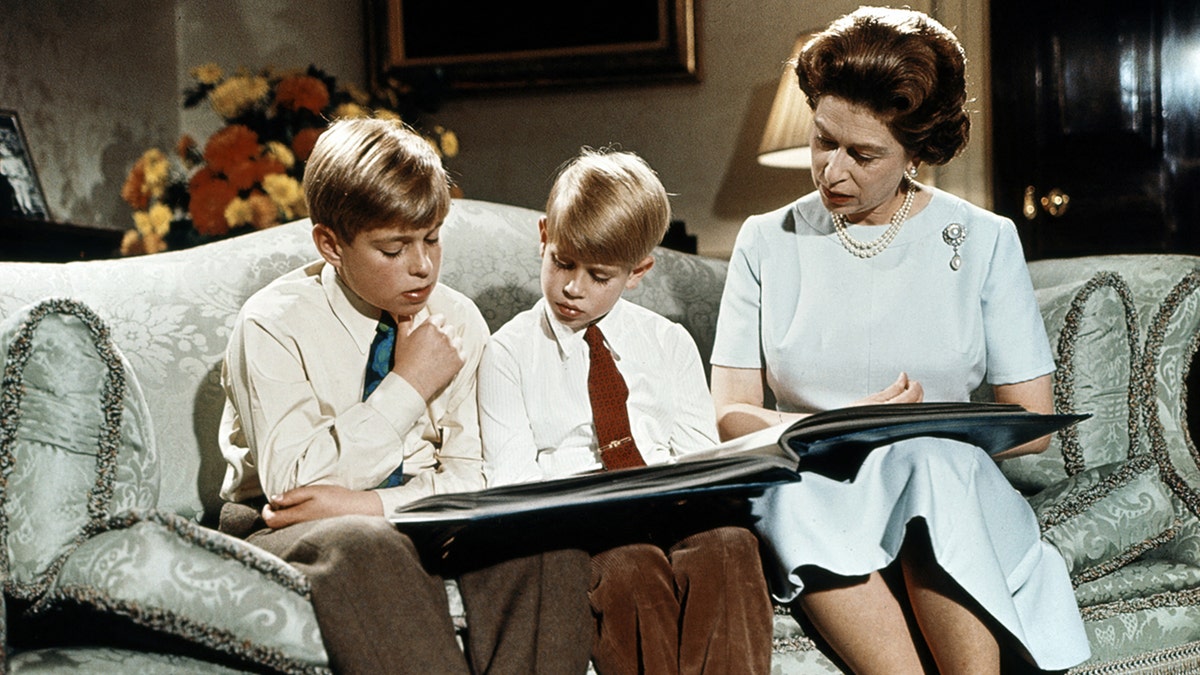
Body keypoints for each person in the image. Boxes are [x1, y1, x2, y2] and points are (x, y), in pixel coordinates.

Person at [709, 8, 1091, 675]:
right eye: (823, 141)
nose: (832, 172)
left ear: (917, 152)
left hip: (948, 487)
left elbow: (1032, 422)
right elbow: (729, 415)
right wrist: (844, 423)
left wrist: (911, 434)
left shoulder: (985, 239)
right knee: (787, 495)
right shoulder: (765, 240)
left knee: (928, 462)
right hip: (817, 487)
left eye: (862, 155)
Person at [217, 117, 592, 674]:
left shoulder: (458, 318)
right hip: (281, 524)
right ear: (331, 245)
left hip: (418, 512)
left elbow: (480, 478)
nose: (422, 266)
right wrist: (410, 383)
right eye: (393, 249)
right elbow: (294, 486)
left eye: (432, 239)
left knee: (547, 545)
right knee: (365, 545)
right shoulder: (273, 324)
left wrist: (371, 505)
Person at [478, 148, 773, 675]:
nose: (573, 288)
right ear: (544, 237)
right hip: (581, 526)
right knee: (630, 568)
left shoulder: (668, 342)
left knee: (730, 545)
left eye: (599, 276)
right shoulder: (507, 353)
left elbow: (700, 464)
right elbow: (514, 486)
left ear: (637, 272)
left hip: (668, 509)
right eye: (562, 263)